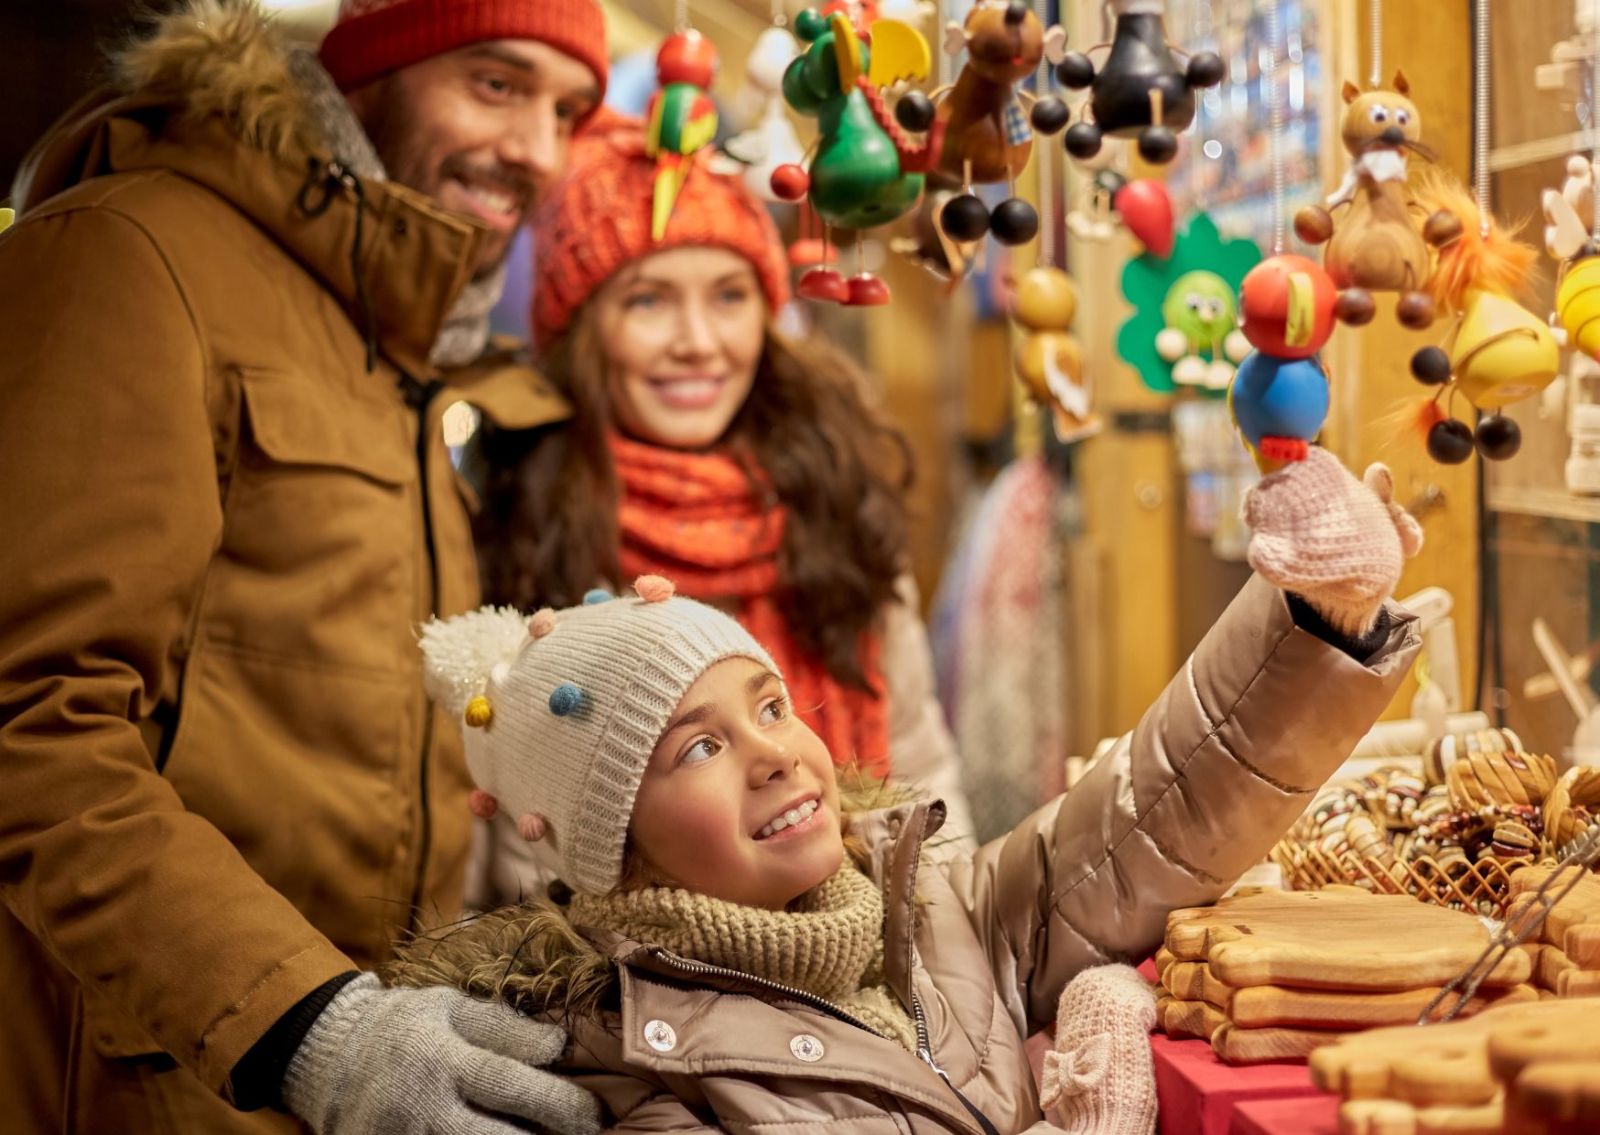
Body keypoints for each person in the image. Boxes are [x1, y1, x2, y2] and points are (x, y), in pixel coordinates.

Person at [0, 0, 613, 1131]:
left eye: (567, 108)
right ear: (367, 73)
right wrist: (307, 1024)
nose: (538, 148)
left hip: (348, 1078)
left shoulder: (389, 340)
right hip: (139, 1085)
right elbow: (30, 717)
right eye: (494, 82)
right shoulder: (129, 254)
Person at [394, 470, 1420, 1135]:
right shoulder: (645, 1082)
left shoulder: (935, 912)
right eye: (698, 747)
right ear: (614, 847)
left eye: (770, 704)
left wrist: (1312, 618)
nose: (772, 755)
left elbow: (1144, 817)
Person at [470, 118, 978, 894]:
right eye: (648, 302)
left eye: (730, 295)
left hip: (872, 947)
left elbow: (918, 764)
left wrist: (944, 954)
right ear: (580, 329)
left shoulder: (830, 490)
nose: (699, 341)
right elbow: (522, 859)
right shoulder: (523, 523)